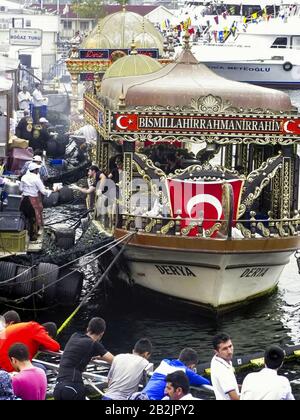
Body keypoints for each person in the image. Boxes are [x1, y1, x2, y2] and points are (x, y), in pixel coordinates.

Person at [53, 317, 114, 400]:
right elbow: (114, 360)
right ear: (102, 333)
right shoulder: (94, 344)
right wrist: (101, 358)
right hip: (73, 387)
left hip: (58, 387)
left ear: (88, 328)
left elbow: (77, 353)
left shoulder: (74, 336)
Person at [142, 347, 210, 400]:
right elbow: (206, 382)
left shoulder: (164, 362)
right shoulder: (185, 371)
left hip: (141, 395)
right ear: (191, 366)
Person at [19, 162, 54, 241]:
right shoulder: (36, 179)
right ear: (35, 170)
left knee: (23, 218)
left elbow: (20, 189)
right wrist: (52, 191)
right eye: (37, 169)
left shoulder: (24, 177)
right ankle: (32, 237)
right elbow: (43, 191)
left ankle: (22, 235)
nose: (38, 170)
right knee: (33, 219)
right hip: (32, 201)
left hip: (24, 200)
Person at [210, 332, 240, 400]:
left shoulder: (217, 359)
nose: (229, 351)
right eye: (225, 349)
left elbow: (229, 384)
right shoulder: (221, 370)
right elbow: (234, 398)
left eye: (230, 346)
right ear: (216, 351)